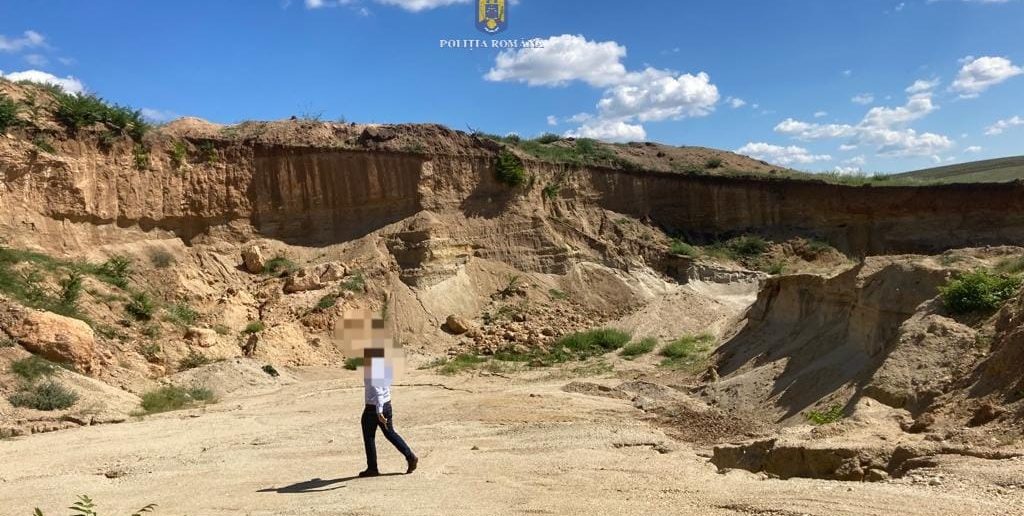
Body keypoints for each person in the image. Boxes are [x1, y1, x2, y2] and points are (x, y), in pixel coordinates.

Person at [360, 346, 418, 477]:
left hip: (374, 407)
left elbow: (378, 390)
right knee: (390, 433)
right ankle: (410, 456)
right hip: (386, 404)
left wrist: (379, 411)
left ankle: (372, 468)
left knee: (369, 436)